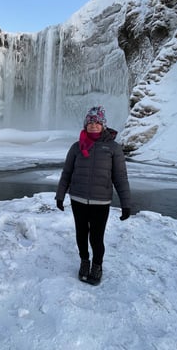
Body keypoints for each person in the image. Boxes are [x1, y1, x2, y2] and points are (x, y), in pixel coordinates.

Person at [55, 105, 131, 285]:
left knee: (96, 237)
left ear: (103, 124)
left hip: (101, 201)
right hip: (78, 198)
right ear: (85, 124)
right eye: (90, 122)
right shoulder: (76, 147)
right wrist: (60, 195)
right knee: (81, 234)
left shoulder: (113, 148)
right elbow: (67, 173)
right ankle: (84, 261)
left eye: (97, 122)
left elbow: (120, 177)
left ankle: (97, 265)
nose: (94, 125)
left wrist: (126, 203)